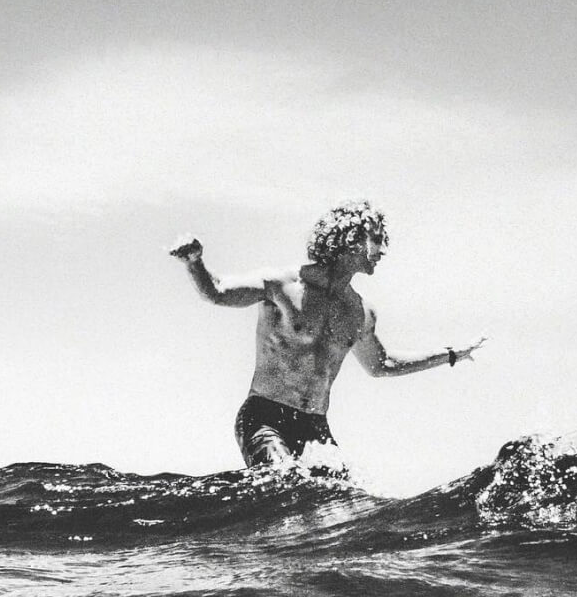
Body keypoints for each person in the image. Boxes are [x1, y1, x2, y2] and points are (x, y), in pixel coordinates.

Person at [169, 200, 485, 476]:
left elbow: (382, 364)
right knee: (286, 485)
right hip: (266, 417)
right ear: (350, 239)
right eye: (376, 239)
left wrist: (451, 354)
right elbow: (218, 292)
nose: (383, 249)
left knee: (343, 504)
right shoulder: (283, 285)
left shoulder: (360, 311)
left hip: (315, 427)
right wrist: (194, 262)